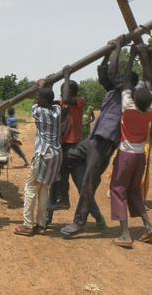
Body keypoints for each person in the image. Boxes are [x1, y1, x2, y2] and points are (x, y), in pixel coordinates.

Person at [61, 41, 138, 237]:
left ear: (127, 83)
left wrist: (120, 48)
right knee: (62, 159)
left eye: (121, 77)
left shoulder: (127, 94)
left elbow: (113, 72)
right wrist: (107, 52)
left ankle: (79, 222)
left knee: (89, 180)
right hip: (92, 140)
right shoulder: (113, 91)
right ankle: (64, 198)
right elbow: (105, 72)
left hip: (105, 142)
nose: (116, 78)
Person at [110, 50, 152, 248]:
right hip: (140, 156)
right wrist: (146, 60)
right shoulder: (151, 108)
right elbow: (149, 81)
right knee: (134, 191)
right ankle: (148, 225)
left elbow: (128, 82)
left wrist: (132, 57)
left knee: (118, 189)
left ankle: (125, 234)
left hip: (126, 154)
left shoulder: (128, 106)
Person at [14, 82, 61, 236]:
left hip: (43, 154)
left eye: (37, 97)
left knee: (30, 189)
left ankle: (28, 225)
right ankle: (41, 224)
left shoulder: (38, 111)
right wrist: (48, 86)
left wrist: (40, 86)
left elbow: (35, 103)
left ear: (42, 101)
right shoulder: (57, 111)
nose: (35, 99)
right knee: (44, 189)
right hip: (56, 155)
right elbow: (51, 99)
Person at [48, 67, 86, 216]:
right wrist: (50, 85)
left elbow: (68, 99)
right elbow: (48, 100)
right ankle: (55, 208)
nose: (61, 95)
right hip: (62, 145)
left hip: (73, 146)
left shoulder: (79, 100)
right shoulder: (61, 103)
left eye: (63, 91)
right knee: (60, 177)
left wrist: (66, 76)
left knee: (76, 182)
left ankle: (65, 202)